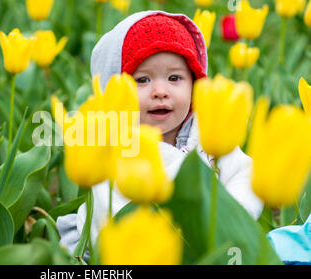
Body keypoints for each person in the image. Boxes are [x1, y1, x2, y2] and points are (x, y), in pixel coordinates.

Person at [56, 10, 263, 259]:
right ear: (114, 90)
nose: (160, 91)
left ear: (196, 85)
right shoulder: (112, 149)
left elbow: (246, 174)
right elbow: (109, 218)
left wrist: (230, 216)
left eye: (174, 78)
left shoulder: (209, 135)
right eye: (142, 80)